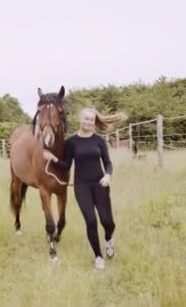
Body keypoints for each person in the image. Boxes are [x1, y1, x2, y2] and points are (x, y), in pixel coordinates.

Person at [43, 106, 127, 269]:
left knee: (108, 222)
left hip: (100, 184)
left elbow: (107, 163)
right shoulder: (72, 142)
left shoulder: (99, 141)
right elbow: (66, 165)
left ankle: (109, 240)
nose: (89, 121)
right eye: (86, 118)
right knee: (91, 221)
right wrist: (53, 158)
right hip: (82, 187)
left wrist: (108, 175)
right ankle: (98, 257)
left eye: (91, 119)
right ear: (80, 119)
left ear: (94, 122)